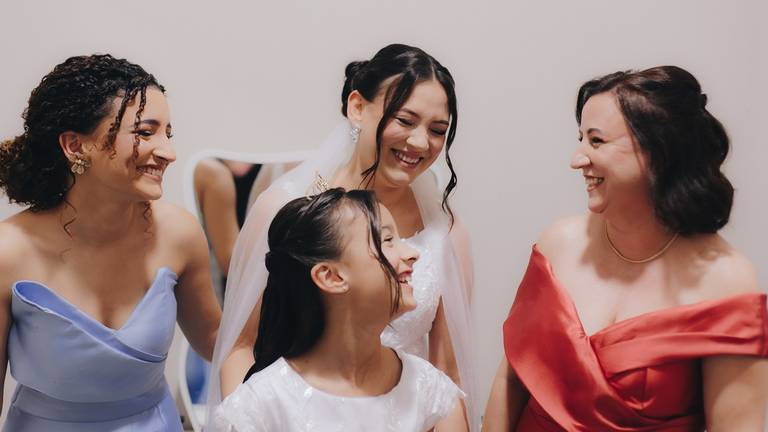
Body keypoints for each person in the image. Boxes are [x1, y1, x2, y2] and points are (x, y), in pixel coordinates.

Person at [483, 66, 768, 431]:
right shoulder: (560, 242)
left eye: (596, 141)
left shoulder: (726, 279)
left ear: (658, 151)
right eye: (581, 139)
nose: (577, 159)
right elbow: (510, 381)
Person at [208, 43, 477, 429]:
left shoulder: (445, 233)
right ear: (357, 107)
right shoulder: (285, 208)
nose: (420, 143)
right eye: (405, 120)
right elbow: (241, 345)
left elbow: (448, 370)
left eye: (437, 130)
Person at [0, 54, 221, 431]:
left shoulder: (179, 234)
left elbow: (219, 342)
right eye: (146, 133)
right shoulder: (9, 252)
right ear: (75, 146)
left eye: (168, 134)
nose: (168, 153)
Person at [213, 188, 465, 431]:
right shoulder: (260, 407)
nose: (412, 254)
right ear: (331, 276)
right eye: (387, 240)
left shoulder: (429, 392)